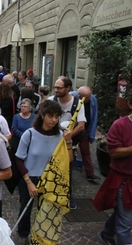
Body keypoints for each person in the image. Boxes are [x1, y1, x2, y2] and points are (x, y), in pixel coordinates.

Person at [15, 100, 72, 243]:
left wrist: (69, 141)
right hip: (29, 178)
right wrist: (28, 182)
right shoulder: (29, 134)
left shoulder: (60, 136)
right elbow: (19, 159)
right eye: (50, 116)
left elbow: (69, 160)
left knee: (47, 212)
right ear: (42, 115)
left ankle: (41, 238)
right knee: (25, 210)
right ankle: (23, 235)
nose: (54, 120)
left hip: (50, 180)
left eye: (56, 116)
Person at [93, 92, 132, 245]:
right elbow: (114, 152)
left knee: (122, 215)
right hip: (124, 181)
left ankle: (106, 235)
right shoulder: (120, 125)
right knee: (126, 223)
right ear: (130, 105)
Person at [48, 76, 86, 209]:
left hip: (68, 143)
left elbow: (81, 125)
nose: (56, 90)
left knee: (67, 170)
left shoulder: (78, 103)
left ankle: (68, 196)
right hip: (51, 141)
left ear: (68, 88)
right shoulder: (50, 100)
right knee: (49, 167)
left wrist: (67, 137)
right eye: (55, 87)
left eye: (59, 88)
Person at [70, 86, 100, 181]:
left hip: (83, 129)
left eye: (90, 96)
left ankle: (90, 174)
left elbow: (94, 115)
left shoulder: (93, 99)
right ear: (79, 96)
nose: (90, 98)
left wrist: (91, 131)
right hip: (71, 129)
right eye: (87, 97)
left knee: (86, 151)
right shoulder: (71, 98)